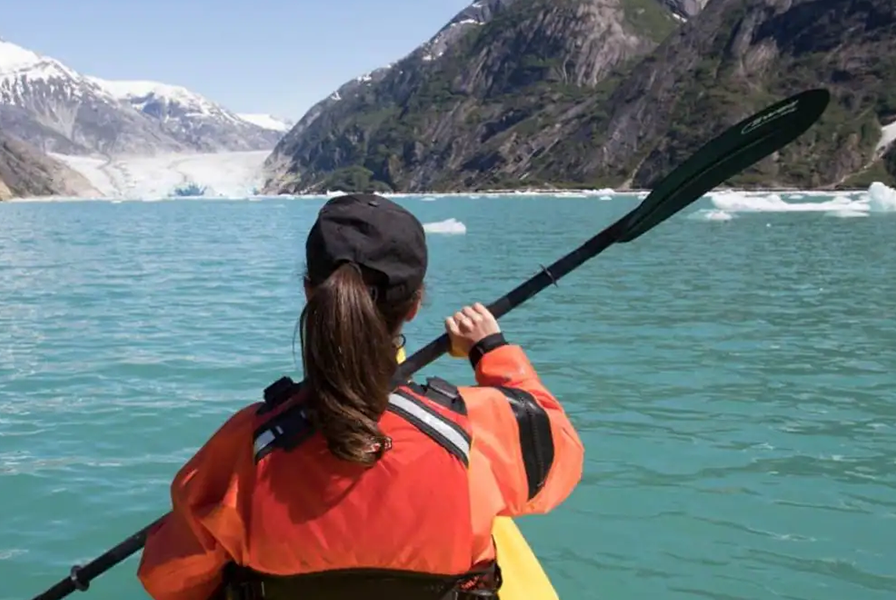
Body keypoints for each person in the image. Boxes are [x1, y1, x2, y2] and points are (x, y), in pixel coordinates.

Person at [137, 193, 585, 600]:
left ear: (310, 293)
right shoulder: (472, 428)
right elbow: (558, 460)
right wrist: (491, 349)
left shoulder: (247, 443)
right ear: (414, 305)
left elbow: (167, 579)